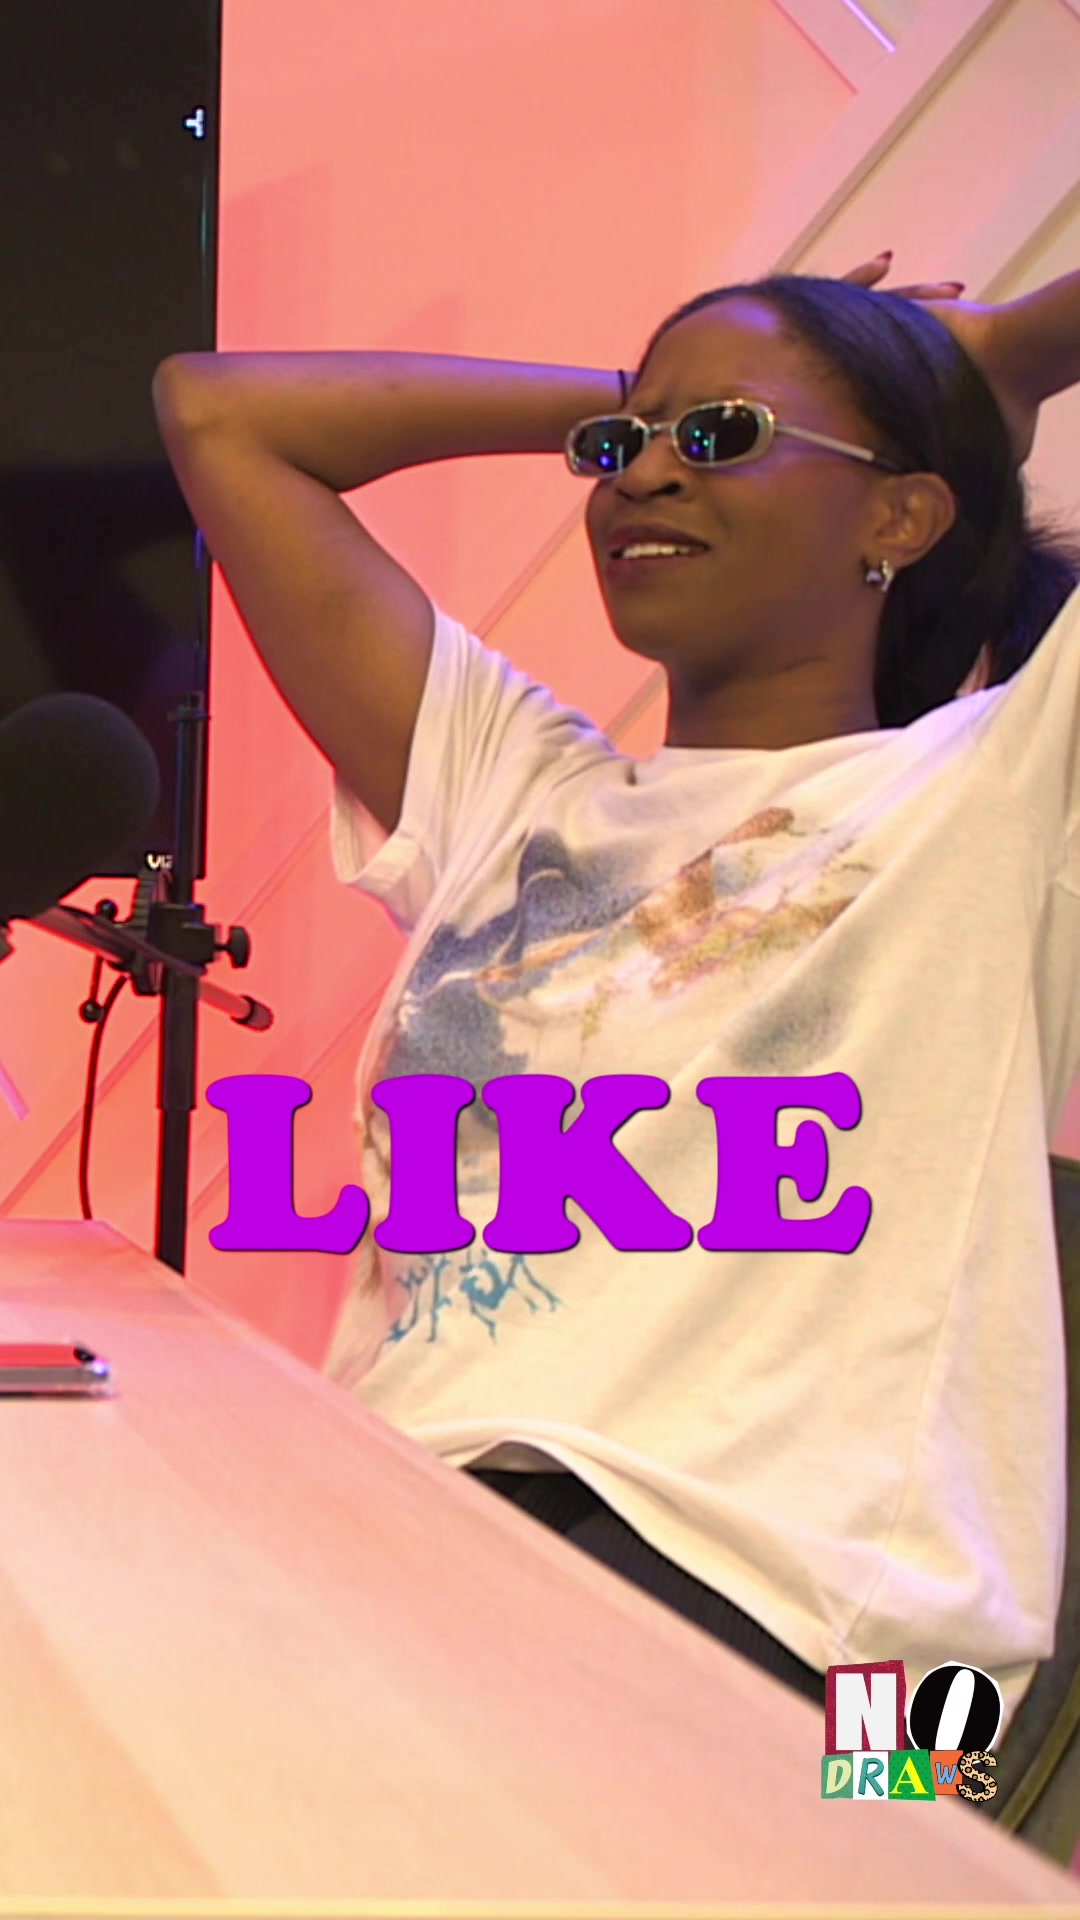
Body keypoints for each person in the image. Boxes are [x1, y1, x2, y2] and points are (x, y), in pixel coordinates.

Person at [153, 257, 1080, 1738]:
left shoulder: (998, 792)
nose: (640, 476)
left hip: (874, 1671)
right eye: (620, 448)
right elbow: (218, 412)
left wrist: (994, 353)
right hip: (432, 1530)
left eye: (719, 438)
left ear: (899, 518)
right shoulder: (513, 792)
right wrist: (646, 409)